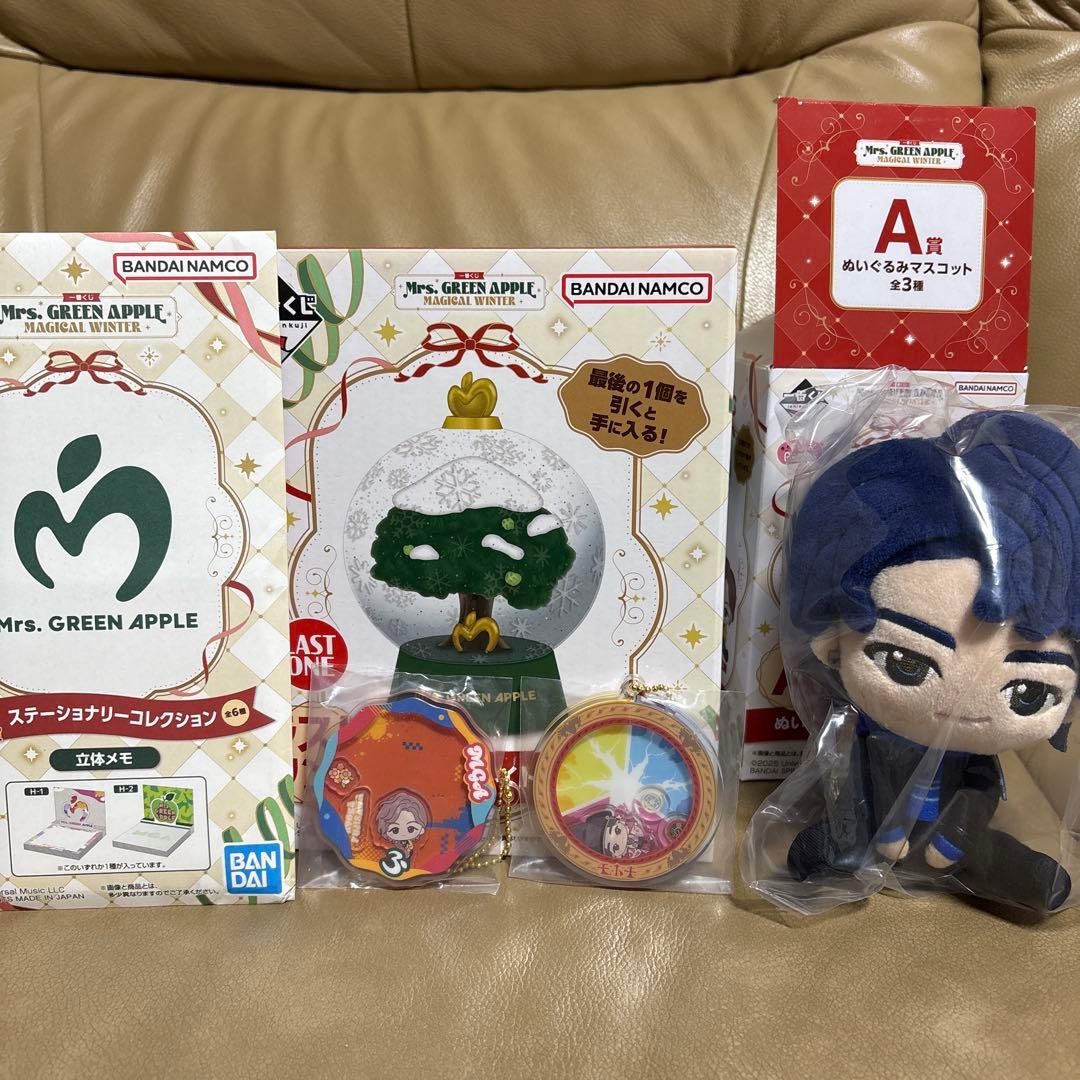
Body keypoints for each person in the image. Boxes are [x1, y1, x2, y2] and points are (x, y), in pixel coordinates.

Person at [783, 410, 1079, 912]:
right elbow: (853, 780)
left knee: (978, 855)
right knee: (847, 836)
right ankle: (848, 849)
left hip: (953, 839)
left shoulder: (974, 757)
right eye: (905, 662)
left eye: (1028, 692)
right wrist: (870, 826)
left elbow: (980, 790)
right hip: (876, 826)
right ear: (832, 643)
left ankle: (995, 866)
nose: (961, 705)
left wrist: (957, 832)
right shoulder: (867, 736)